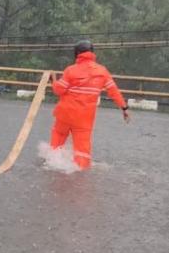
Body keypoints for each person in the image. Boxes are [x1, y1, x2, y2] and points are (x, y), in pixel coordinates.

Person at [50, 40, 130, 169]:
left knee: (58, 138)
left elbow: (59, 90)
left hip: (65, 114)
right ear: (92, 53)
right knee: (82, 152)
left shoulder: (70, 70)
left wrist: (53, 82)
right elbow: (113, 91)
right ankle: (80, 175)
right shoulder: (102, 71)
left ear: (77, 54)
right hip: (84, 118)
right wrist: (124, 108)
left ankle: (51, 162)